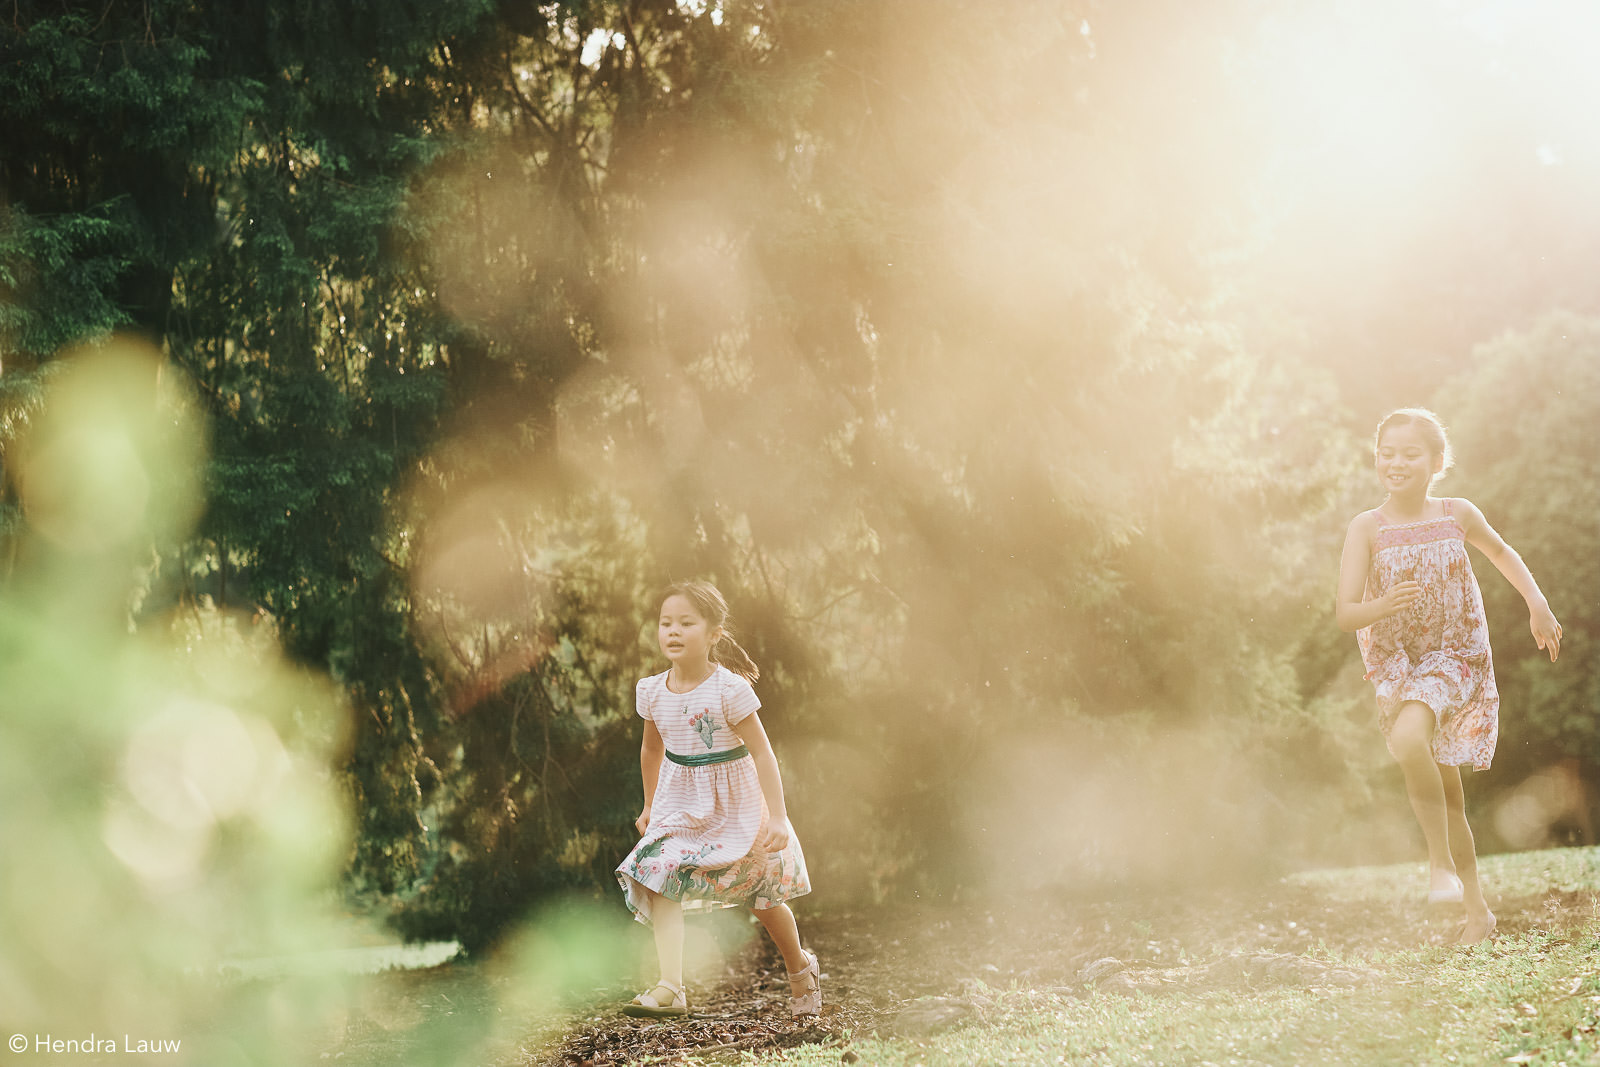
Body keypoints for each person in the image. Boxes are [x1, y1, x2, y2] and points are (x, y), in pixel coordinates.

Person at [1336, 408, 1562, 945]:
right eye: (1387, 453)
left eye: (1410, 453)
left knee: (1412, 738)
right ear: (1376, 459)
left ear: (1436, 462)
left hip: (1454, 654)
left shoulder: (1457, 514)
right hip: (1397, 664)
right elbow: (1345, 613)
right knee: (1450, 795)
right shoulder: (1367, 528)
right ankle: (1477, 910)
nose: (1396, 462)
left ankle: (1438, 865)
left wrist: (1537, 604)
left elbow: (1502, 553)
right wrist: (1384, 603)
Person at [615, 581, 819, 1017]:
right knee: (658, 871)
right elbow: (651, 751)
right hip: (682, 805)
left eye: (686, 623)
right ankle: (672, 986)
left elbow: (763, 752)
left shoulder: (729, 689)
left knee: (762, 898)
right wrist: (650, 806)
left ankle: (800, 967)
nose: (673, 630)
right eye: (666, 622)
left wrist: (779, 817)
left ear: (713, 634)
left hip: (738, 807)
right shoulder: (652, 691)